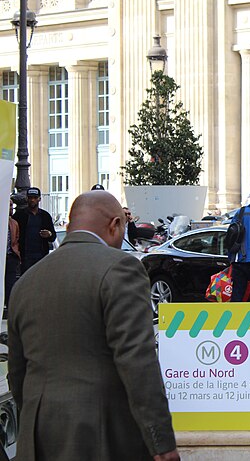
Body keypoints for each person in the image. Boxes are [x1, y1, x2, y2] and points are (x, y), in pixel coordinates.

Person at [7, 190, 180, 461]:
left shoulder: (26, 281)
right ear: (114, 225)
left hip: (37, 436)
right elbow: (137, 360)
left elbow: (17, 372)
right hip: (100, 435)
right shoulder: (121, 268)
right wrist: (161, 441)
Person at [12, 187, 56, 274]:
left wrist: (49, 234)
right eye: (30, 197)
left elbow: (53, 236)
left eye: (35, 198)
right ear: (26, 199)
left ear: (39, 199)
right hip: (25, 256)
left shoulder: (45, 216)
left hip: (41, 256)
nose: (32, 200)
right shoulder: (19, 215)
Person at [5, 199, 20, 308]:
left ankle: (9, 305)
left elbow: (16, 239)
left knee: (10, 282)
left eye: (11, 205)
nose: (11, 208)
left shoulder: (14, 223)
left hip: (11, 256)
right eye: (9, 205)